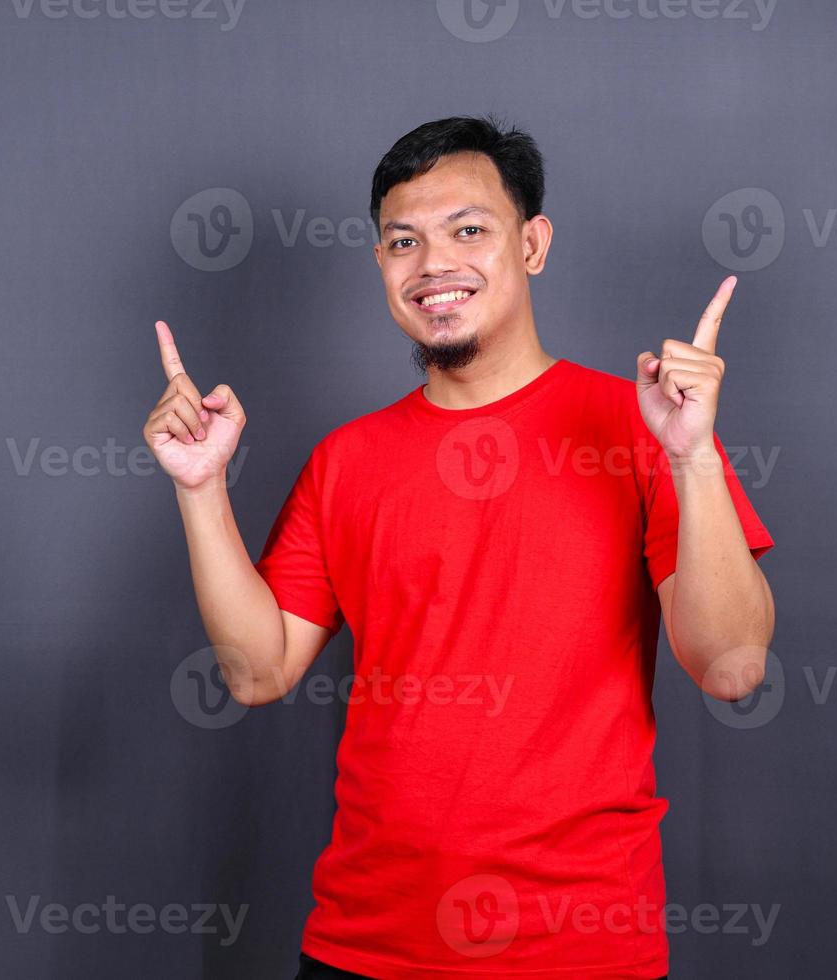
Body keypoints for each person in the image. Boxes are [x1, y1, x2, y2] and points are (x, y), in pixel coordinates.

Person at [143, 115, 775, 980]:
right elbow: (259, 672)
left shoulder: (644, 427)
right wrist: (200, 488)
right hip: (363, 946)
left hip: (578, 952)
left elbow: (732, 666)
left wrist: (695, 453)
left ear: (534, 244)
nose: (435, 264)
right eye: (404, 241)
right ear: (380, 266)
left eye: (469, 229)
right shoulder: (345, 460)